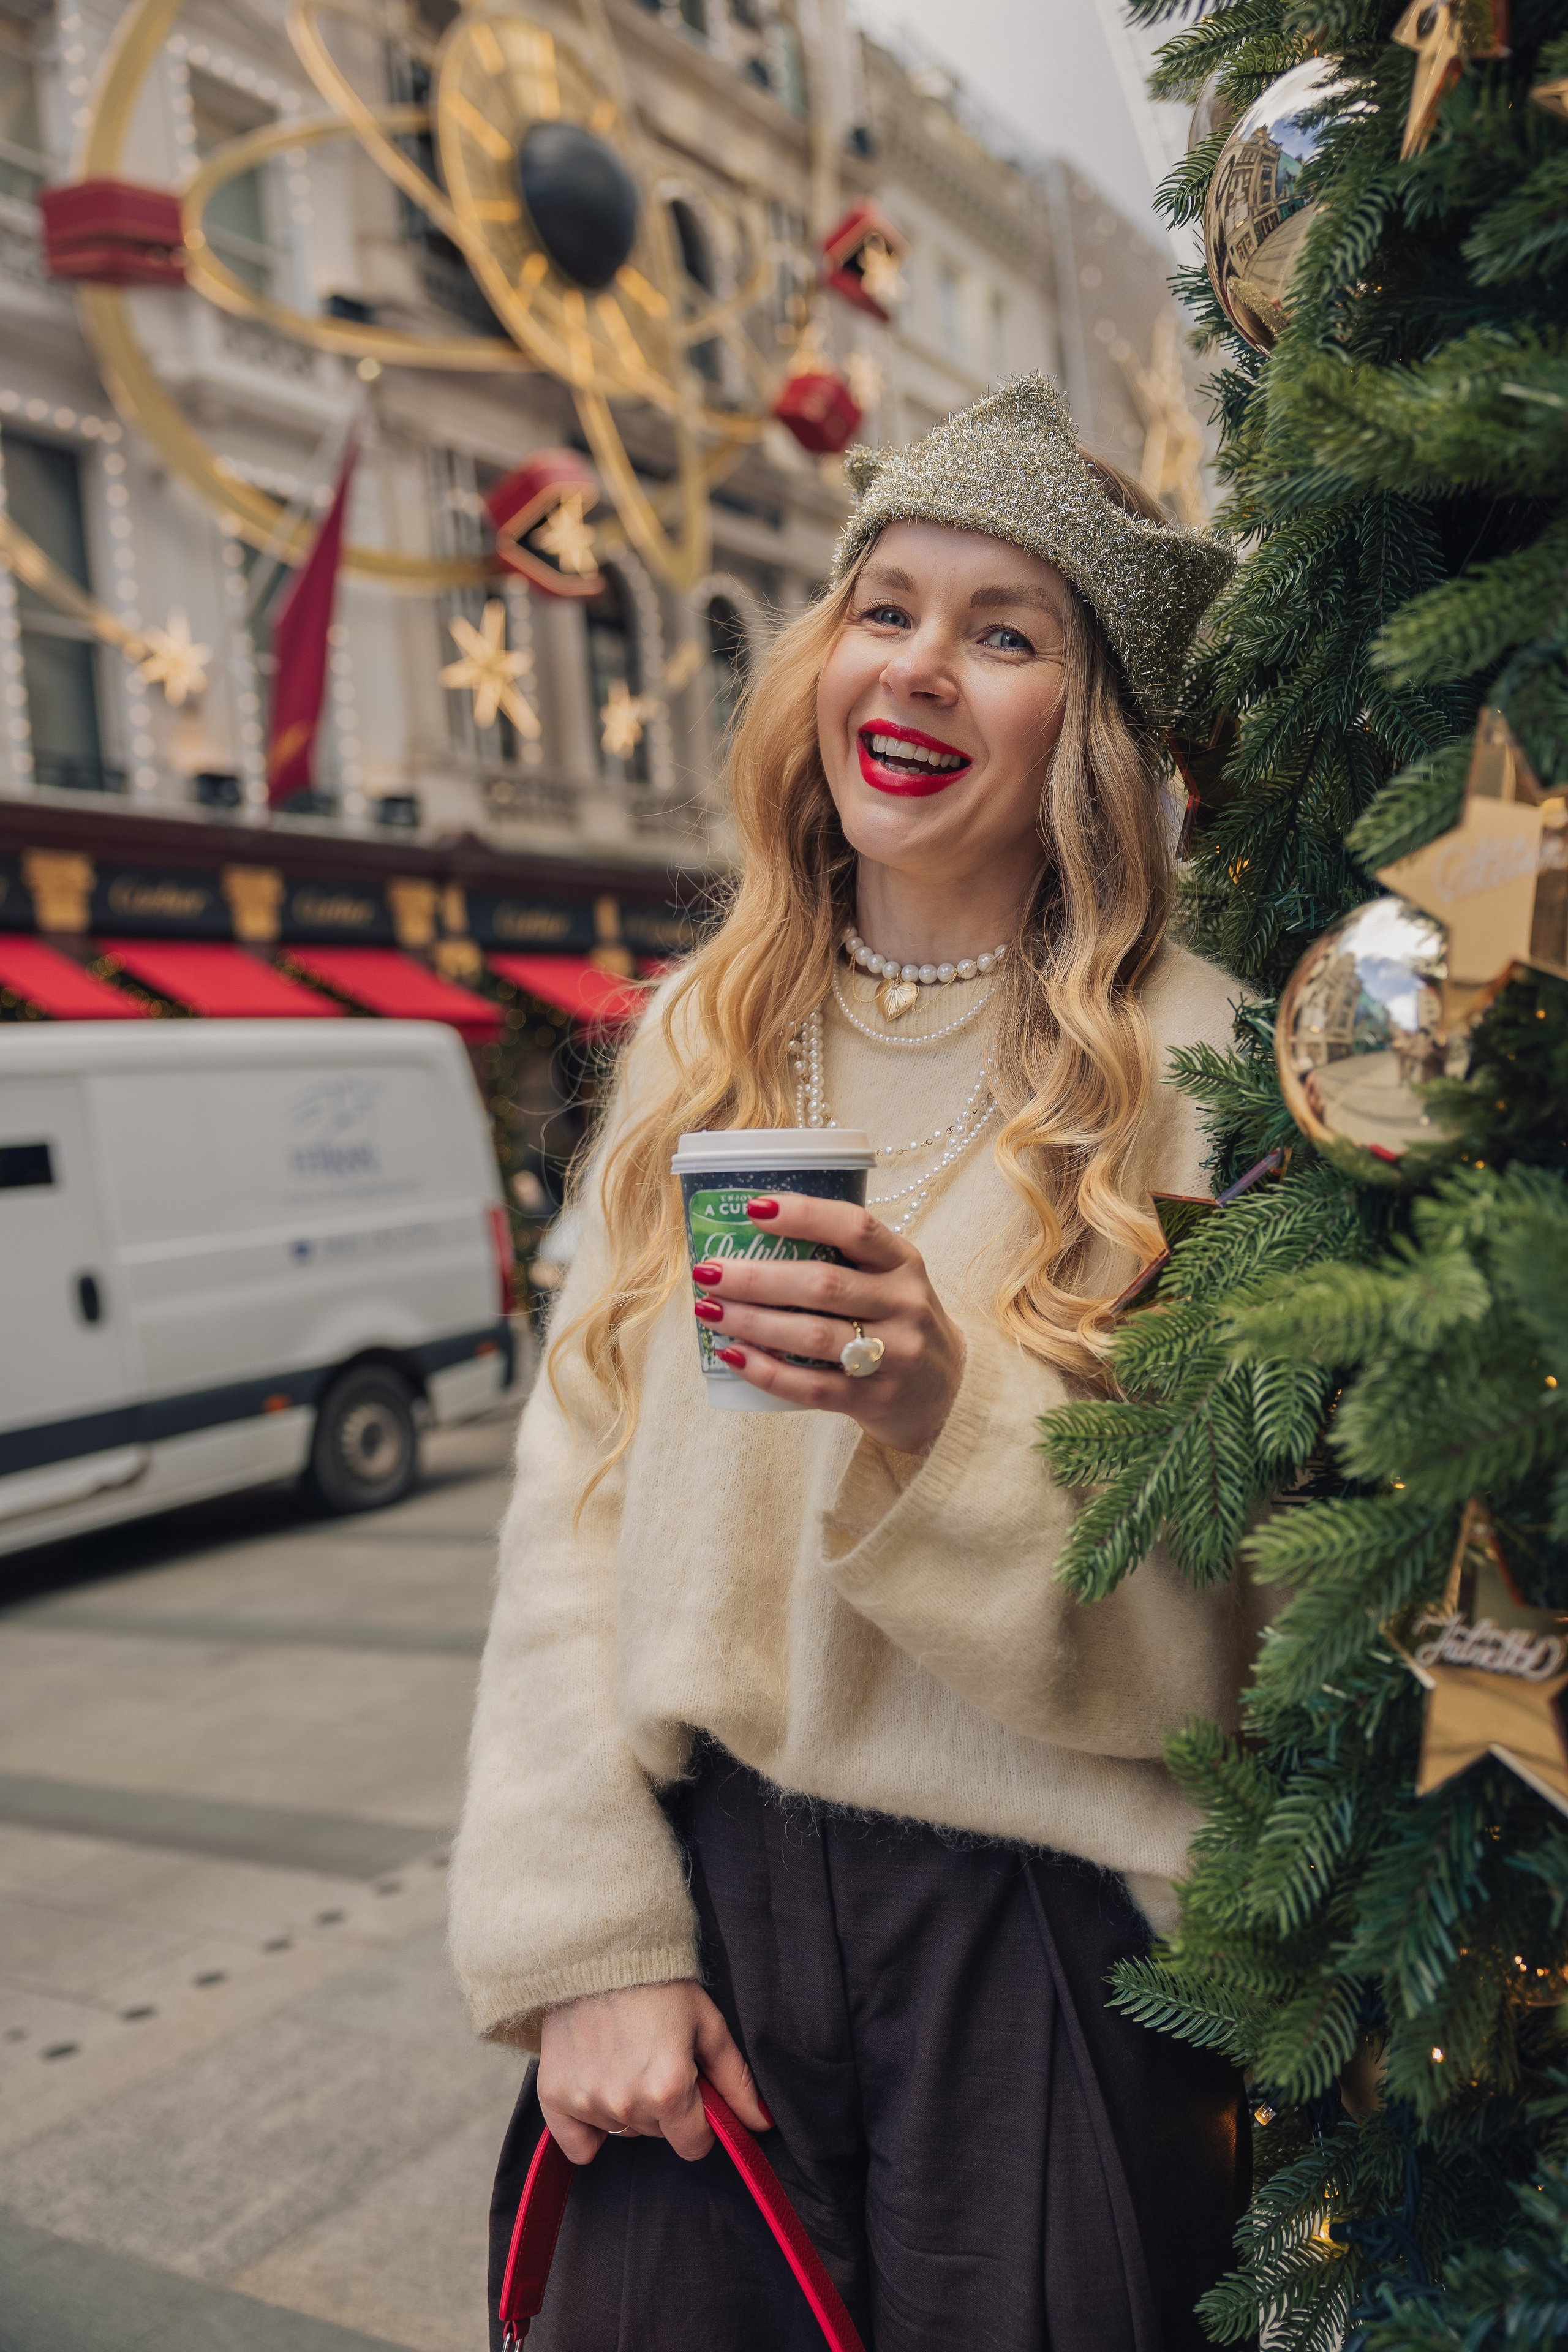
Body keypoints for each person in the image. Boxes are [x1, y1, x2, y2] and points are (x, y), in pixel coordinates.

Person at [451, 377, 1265, 2351]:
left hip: (1040, 1947)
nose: (919, 669)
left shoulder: (1208, 1069)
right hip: (710, 1918)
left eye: (1008, 635)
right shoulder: (701, 1047)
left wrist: (936, 1407)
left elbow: (1221, 1648)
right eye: (886, 606)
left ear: (1089, 730)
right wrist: (592, 1944)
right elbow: (573, 1519)